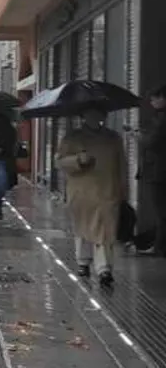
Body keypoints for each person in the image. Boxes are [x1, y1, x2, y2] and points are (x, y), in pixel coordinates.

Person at [57, 108, 126, 286]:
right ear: (83, 116)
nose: (95, 117)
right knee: (83, 228)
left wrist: (123, 189)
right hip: (81, 192)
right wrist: (78, 160)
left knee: (105, 231)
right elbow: (61, 161)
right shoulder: (72, 138)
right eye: (90, 114)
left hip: (107, 190)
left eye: (98, 114)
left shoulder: (113, 138)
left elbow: (122, 165)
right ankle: (83, 261)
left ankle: (104, 268)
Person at [141, 85, 166, 255]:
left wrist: (139, 137)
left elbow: (152, 142)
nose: (151, 101)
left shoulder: (162, 118)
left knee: (161, 211)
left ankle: (160, 247)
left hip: (159, 172)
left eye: (154, 98)